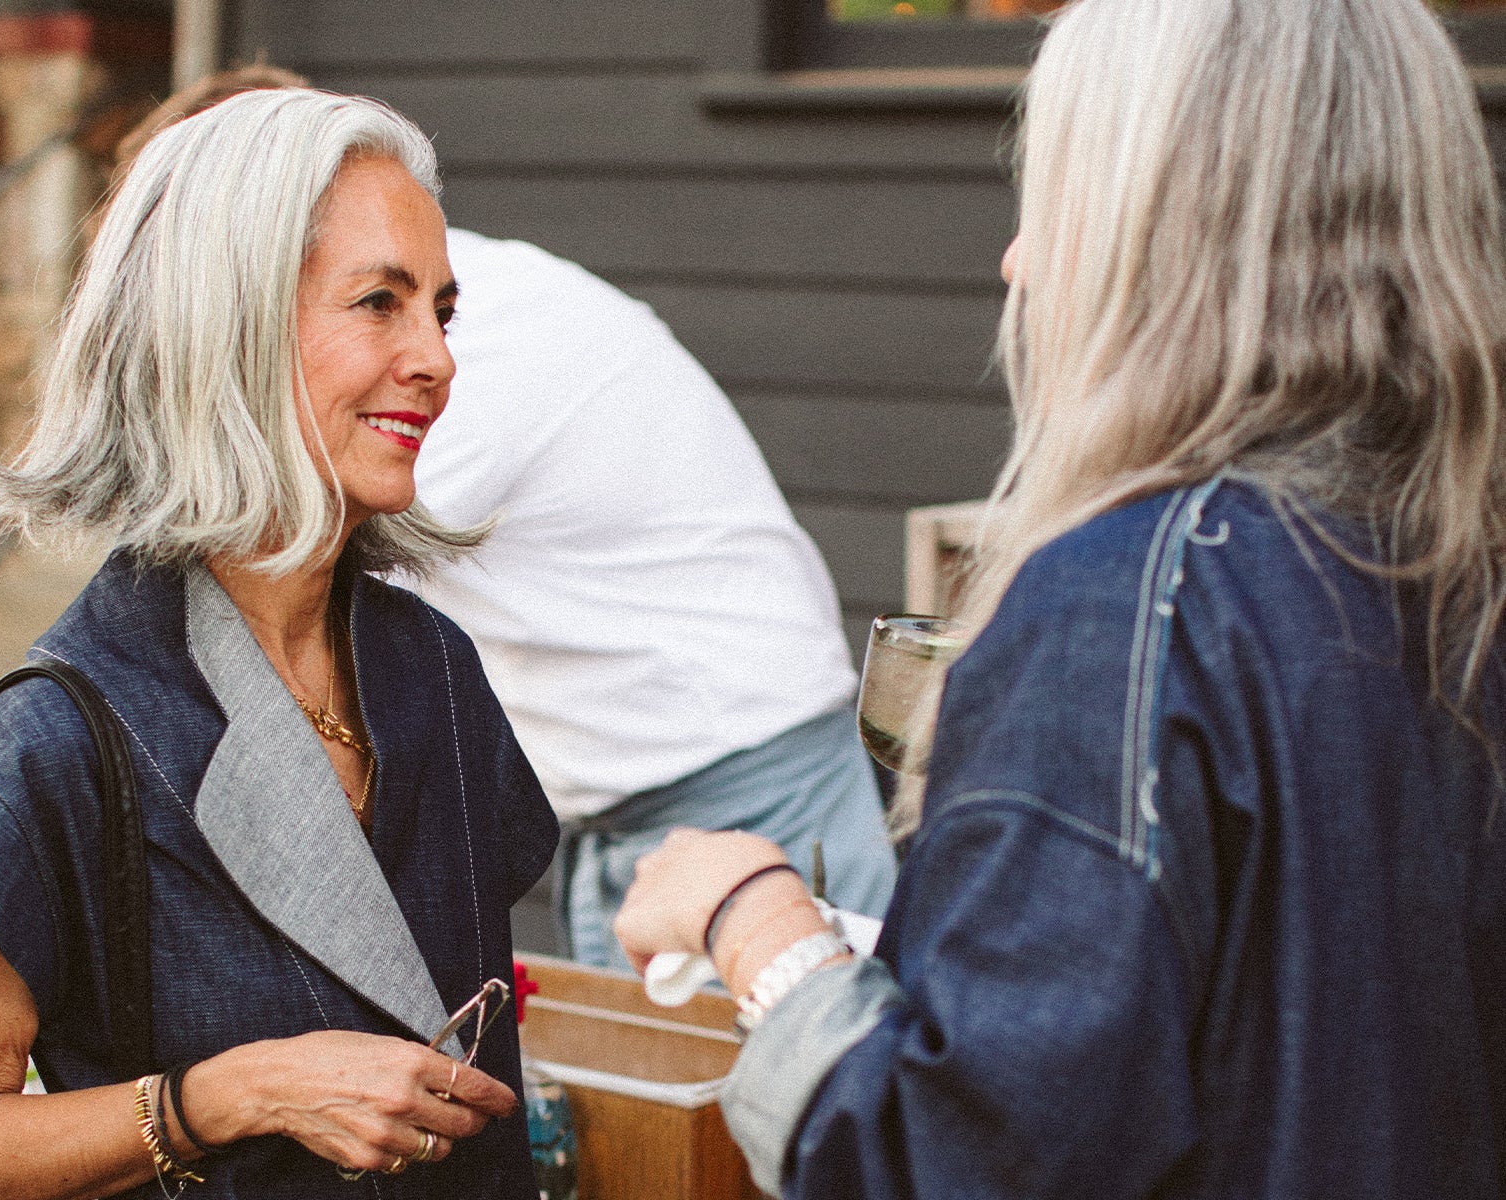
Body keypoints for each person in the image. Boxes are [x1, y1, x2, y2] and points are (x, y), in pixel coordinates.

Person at [614, 1, 1506, 1196]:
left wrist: (753, 919)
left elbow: (950, 1157)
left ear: (1153, 231)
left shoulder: (1126, 606)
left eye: (1058, 197)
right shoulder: (1450, 557)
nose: (1016, 261)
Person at [0, 89, 559, 1199]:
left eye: (441, 312)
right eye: (379, 303)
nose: (436, 359)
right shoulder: (56, 738)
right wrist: (232, 1094)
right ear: (227, 331)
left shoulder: (435, 671)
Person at [116, 68, 896, 971]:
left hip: (748, 789)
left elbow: (274, 579)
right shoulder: (435, 309)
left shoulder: (442, 346)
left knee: (814, 1062)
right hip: (618, 807)